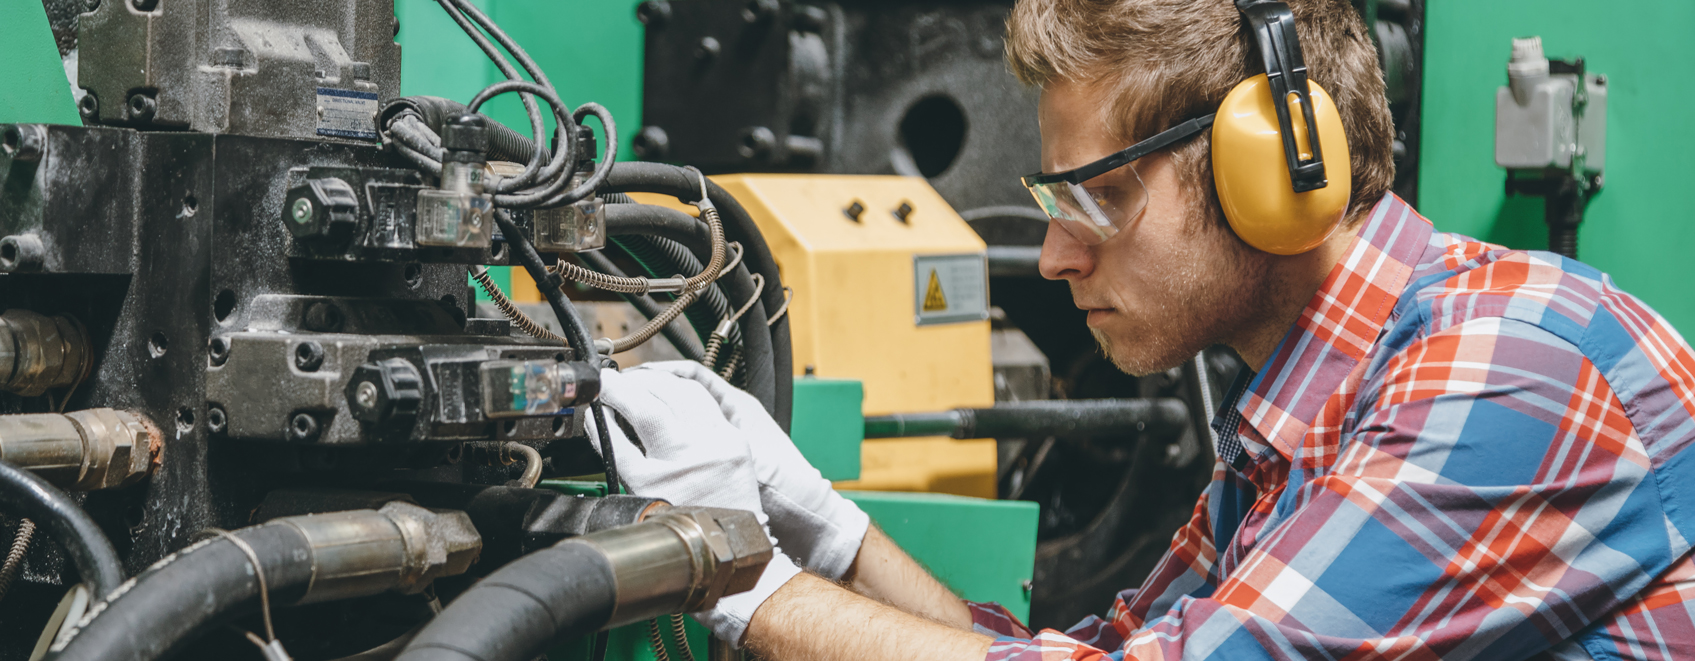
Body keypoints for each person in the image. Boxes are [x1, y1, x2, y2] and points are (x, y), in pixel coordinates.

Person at [588, 0, 1695, 659]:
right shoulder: (1290, 427)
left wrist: (731, 578)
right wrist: (827, 532)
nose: (1058, 255)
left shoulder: (1511, 364)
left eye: (1094, 198)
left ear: (1275, 166)